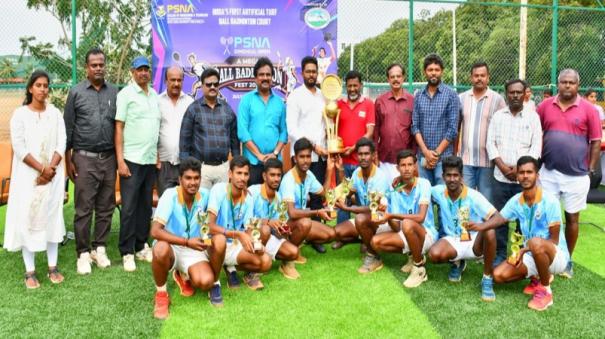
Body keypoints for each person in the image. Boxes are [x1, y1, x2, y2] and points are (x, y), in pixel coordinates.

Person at [4, 70, 66, 288]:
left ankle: (52, 267)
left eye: (46, 85)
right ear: (30, 88)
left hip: (54, 175)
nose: (43, 89)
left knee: (52, 217)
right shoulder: (20, 115)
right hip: (28, 177)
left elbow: (62, 141)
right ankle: (30, 271)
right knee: (27, 219)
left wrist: (51, 169)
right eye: (38, 85)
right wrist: (42, 170)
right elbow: (19, 147)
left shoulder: (55, 114)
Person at [537, 69, 602, 278]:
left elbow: (595, 142)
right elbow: (535, 132)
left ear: (578, 84)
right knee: (547, 218)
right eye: (563, 82)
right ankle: (550, 258)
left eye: (571, 83)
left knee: (572, 219)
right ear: (558, 84)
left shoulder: (590, 109)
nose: (567, 86)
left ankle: (567, 261)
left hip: (577, 175)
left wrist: (591, 169)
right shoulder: (545, 106)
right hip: (549, 172)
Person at [487, 156, 569, 311]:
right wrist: (480, 226)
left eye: (529, 172)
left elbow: (554, 240)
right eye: (522, 172)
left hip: (555, 256)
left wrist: (524, 250)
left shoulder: (550, 201)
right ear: (517, 176)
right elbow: (499, 219)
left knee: (535, 242)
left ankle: (546, 291)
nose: (525, 176)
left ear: (537, 176)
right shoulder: (516, 200)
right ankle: (538, 277)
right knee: (498, 275)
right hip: (533, 253)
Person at [150, 157, 227, 319]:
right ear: (180, 179)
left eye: (196, 178)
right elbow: (155, 231)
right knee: (159, 248)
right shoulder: (169, 195)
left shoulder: (204, 195)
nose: (193, 183)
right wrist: (186, 242)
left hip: (193, 250)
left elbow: (223, 192)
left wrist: (245, 191)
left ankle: (190, 276)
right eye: (188, 178)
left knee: (205, 280)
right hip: (172, 247)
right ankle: (161, 294)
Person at [63, 48, 118, 275]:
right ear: (86, 68)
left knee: (106, 207)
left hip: (109, 158)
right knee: (84, 208)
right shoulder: (75, 93)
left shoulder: (115, 92)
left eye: (101, 64)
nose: (98, 68)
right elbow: (68, 130)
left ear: (105, 66)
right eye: (93, 65)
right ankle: (83, 253)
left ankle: (100, 248)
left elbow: (119, 127)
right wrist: (69, 162)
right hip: (84, 158)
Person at [487, 79, 542, 265]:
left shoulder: (532, 117)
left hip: (523, 180)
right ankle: (500, 253)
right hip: (500, 177)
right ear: (506, 94)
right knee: (500, 217)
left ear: (525, 93)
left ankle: (519, 254)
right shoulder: (498, 116)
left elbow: (536, 147)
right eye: (512, 92)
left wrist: (519, 170)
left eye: (519, 92)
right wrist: (502, 166)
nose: (515, 95)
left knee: (522, 219)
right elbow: (490, 144)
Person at [428, 156, 499, 302]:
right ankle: (458, 262)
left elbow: (497, 217)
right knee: (434, 254)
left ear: (461, 177)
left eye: (455, 175)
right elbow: (420, 187)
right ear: (443, 176)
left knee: (490, 231)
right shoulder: (438, 192)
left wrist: (481, 226)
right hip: (453, 239)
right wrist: (400, 181)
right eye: (448, 175)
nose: (452, 179)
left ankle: (487, 278)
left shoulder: (474, 196)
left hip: (474, 241)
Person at [115, 56, 161, 271]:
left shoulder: (154, 96)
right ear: (132, 72)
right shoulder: (125, 95)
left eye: (146, 69)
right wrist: (120, 161)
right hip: (131, 160)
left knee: (144, 207)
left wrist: (157, 155)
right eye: (139, 69)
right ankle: (126, 251)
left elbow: (154, 129)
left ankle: (141, 246)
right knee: (129, 208)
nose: (144, 73)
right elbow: (119, 128)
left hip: (149, 160)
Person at [370, 150, 437, 288]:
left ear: (415, 166)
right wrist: (386, 215)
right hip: (407, 231)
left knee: (408, 223)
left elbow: (420, 217)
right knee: (375, 242)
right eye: (403, 165)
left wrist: (392, 215)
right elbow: (396, 227)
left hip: (426, 234)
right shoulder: (394, 189)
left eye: (410, 164)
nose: (407, 169)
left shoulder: (424, 184)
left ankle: (419, 269)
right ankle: (414, 256)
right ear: (397, 168)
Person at [207, 156, 272, 290]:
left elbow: (248, 229)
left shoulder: (248, 198)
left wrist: (255, 244)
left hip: (234, 245)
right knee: (220, 241)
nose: (242, 178)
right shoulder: (218, 190)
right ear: (230, 174)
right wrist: (237, 234)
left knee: (266, 262)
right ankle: (215, 281)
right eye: (238, 173)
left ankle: (230, 267)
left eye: (245, 174)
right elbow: (209, 226)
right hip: (215, 245)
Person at [286, 56, 329, 253]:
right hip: (304, 155)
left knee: (317, 195)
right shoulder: (295, 96)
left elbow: (327, 124)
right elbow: (292, 129)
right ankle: (298, 233)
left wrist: (327, 147)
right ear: (302, 73)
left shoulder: (323, 95)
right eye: (308, 71)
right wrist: (312, 147)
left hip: (321, 155)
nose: (312, 74)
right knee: (302, 196)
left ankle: (315, 236)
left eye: (314, 71)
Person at [179, 68, 239, 190]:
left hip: (223, 168)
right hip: (201, 169)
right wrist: (186, 169)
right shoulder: (193, 109)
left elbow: (235, 140)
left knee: (221, 205)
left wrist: (236, 165)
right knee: (201, 205)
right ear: (202, 86)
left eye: (215, 84)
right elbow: (184, 142)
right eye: (208, 84)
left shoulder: (227, 108)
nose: (212, 87)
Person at [279, 138, 337, 258]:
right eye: (302, 157)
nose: (306, 161)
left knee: (331, 234)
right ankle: (287, 253)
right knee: (305, 222)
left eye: (308, 156)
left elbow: (324, 193)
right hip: (284, 225)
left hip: (300, 222)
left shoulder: (309, 175)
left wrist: (329, 170)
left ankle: (299, 239)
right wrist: (317, 212)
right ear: (295, 159)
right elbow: (292, 213)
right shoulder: (288, 180)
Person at [457, 61, 506, 203]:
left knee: (486, 202)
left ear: (488, 78)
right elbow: (457, 127)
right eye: (476, 75)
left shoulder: (497, 100)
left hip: (488, 162)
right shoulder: (461, 98)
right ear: (471, 78)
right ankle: (466, 226)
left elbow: (501, 130)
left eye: (482, 75)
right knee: (465, 200)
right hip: (466, 160)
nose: (479, 78)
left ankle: (486, 226)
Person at [331, 138, 389, 254]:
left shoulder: (380, 177)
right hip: (363, 218)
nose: (363, 157)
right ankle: (363, 236)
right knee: (338, 232)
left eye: (366, 154)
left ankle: (369, 244)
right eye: (360, 154)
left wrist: (347, 208)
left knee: (364, 246)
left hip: (380, 219)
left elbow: (372, 208)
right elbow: (346, 192)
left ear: (373, 156)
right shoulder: (357, 172)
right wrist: (341, 170)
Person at [248, 158, 302, 279]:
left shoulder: (279, 197)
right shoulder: (252, 191)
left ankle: (269, 260)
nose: (276, 179)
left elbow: (277, 225)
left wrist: (282, 230)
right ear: (264, 176)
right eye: (272, 175)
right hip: (249, 236)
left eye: (279, 175)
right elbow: (246, 222)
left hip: (267, 237)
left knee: (294, 252)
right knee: (266, 229)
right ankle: (254, 265)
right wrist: (267, 222)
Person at [238, 57, 288, 186]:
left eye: (268, 74)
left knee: (275, 203)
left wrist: (275, 153)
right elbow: (243, 132)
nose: (265, 78)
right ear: (255, 78)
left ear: (272, 77)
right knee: (252, 202)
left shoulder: (280, 103)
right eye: (261, 75)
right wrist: (259, 155)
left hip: (274, 164)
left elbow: (284, 132)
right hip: (253, 163)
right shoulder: (246, 100)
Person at [411, 53, 460, 185]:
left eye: (437, 70)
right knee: (425, 196)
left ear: (442, 72)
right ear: (425, 72)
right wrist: (426, 152)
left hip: (443, 158)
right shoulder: (418, 95)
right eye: (430, 70)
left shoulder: (451, 95)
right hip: (423, 158)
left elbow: (452, 129)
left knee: (442, 196)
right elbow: (415, 127)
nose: (433, 73)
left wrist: (436, 154)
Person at [335, 70, 375, 225]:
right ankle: (342, 231)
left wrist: (354, 148)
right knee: (343, 196)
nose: (352, 89)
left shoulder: (368, 104)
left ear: (361, 85)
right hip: (342, 162)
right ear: (346, 86)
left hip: (361, 161)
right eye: (349, 86)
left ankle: (363, 229)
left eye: (355, 85)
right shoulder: (338, 104)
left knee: (362, 198)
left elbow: (370, 132)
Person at [374, 63, 415, 181]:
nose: (396, 79)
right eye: (392, 77)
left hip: (405, 161)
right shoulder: (380, 101)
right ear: (388, 79)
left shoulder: (412, 101)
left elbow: (415, 130)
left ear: (403, 78)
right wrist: (375, 153)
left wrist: (413, 158)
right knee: (384, 195)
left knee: (402, 193)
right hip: (384, 159)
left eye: (398, 76)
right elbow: (376, 130)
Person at [157, 66, 194, 196]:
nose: (176, 83)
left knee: (186, 205)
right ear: (166, 81)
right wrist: (156, 158)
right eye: (172, 80)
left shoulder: (190, 102)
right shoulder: (157, 102)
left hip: (185, 163)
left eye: (179, 80)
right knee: (165, 205)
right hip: (164, 164)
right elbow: (152, 131)